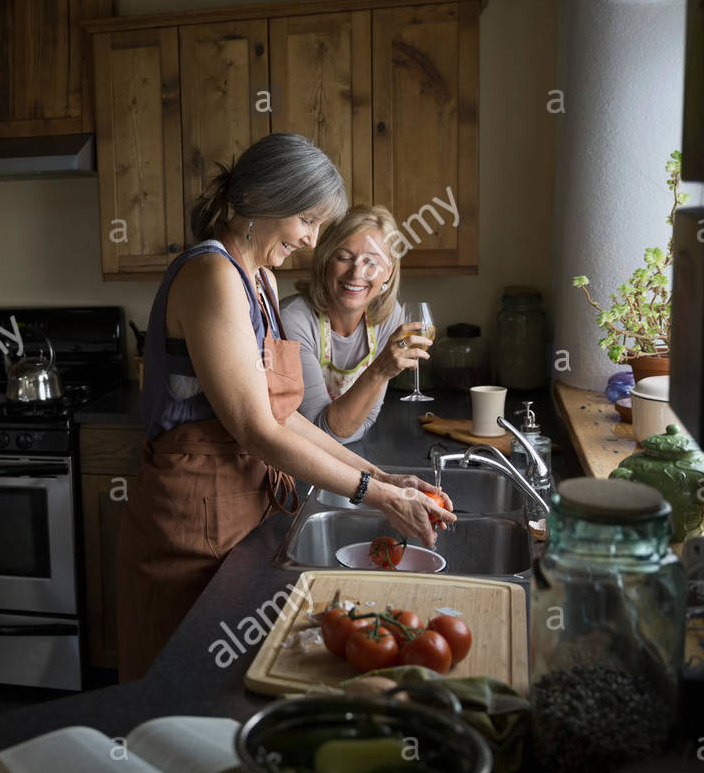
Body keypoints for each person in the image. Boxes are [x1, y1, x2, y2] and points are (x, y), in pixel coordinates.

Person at [115, 134, 454, 681]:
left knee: (243, 681)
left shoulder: (261, 280)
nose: (311, 240)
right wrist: (379, 497)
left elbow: (282, 415)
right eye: (307, 221)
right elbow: (256, 429)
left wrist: (380, 474)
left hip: (251, 503)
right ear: (267, 200)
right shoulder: (213, 275)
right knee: (185, 687)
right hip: (193, 516)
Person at [279, 205, 429, 443]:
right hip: (290, 465)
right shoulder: (293, 320)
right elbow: (321, 433)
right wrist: (380, 370)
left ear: (388, 271)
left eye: (372, 262)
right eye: (344, 258)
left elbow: (366, 421)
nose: (357, 273)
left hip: (347, 461)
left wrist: (345, 426)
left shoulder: (390, 318)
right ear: (325, 260)